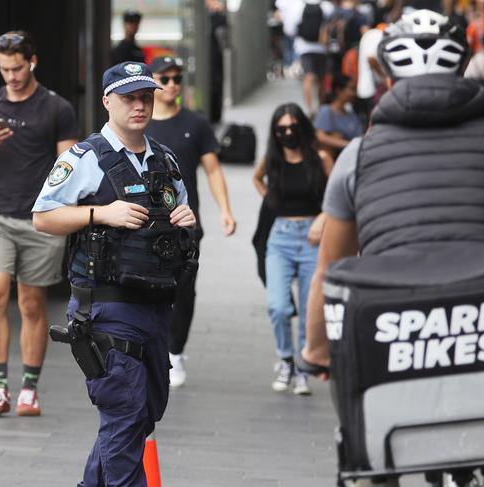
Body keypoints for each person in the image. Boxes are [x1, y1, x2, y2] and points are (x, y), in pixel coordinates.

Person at [297, 9, 484, 486]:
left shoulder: (357, 157)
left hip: (396, 335)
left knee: (377, 460)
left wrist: (317, 350)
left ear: (387, 74)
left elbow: (330, 269)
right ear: (462, 66)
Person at [31, 61, 196, 486]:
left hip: (157, 305)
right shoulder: (84, 158)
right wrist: (101, 212)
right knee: (123, 412)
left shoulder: (164, 159)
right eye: (129, 98)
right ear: (107, 102)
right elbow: (43, 217)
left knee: (143, 414)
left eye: (145, 97)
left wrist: (184, 218)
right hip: (106, 306)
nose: (139, 106)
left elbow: (180, 217)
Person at [0, 30, 79, 416]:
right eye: (3, 69)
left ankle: (29, 388)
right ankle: (0, 386)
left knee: (30, 304)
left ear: (32, 62)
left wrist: (62, 212)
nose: (11, 76)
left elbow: (69, 170)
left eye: (16, 68)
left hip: (38, 220)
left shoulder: (56, 108)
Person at [146, 55, 236, 387]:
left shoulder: (195, 123)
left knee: (183, 290)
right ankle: (151, 348)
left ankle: (174, 352)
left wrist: (225, 210)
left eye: (177, 78)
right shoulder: (139, 121)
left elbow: (212, 169)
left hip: (185, 223)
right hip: (144, 222)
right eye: (164, 78)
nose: (171, 85)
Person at [252, 103, 333, 396]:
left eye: (293, 128)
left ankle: (301, 366)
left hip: (313, 239)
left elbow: (336, 196)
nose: (288, 133)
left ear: (303, 127)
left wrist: (322, 219)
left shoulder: (320, 158)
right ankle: (285, 358)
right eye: (281, 129)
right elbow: (256, 178)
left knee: (311, 309)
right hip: (280, 238)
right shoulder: (272, 159)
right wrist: (270, 198)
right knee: (279, 306)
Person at [295, 0, 335, 116]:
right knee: (321, 79)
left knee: (308, 77)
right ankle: (321, 108)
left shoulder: (299, 6)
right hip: (322, 47)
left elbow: (292, 27)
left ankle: (309, 109)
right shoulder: (327, 6)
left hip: (304, 47)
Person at [314, 75, 363, 159]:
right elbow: (321, 136)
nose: (353, 94)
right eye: (351, 89)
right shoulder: (326, 111)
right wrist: (348, 144)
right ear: (339, 91)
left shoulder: (352, 115)